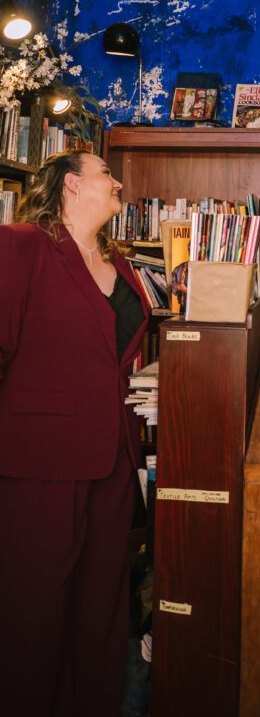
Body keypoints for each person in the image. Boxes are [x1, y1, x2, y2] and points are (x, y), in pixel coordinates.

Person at [0, 150, 149, 717]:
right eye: (106, 173)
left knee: (100, 607)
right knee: (33, 608)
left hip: (113, 459)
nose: (117, 182)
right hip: (37, 462)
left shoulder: (121, 261)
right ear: (71, 186)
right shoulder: (22, 245)